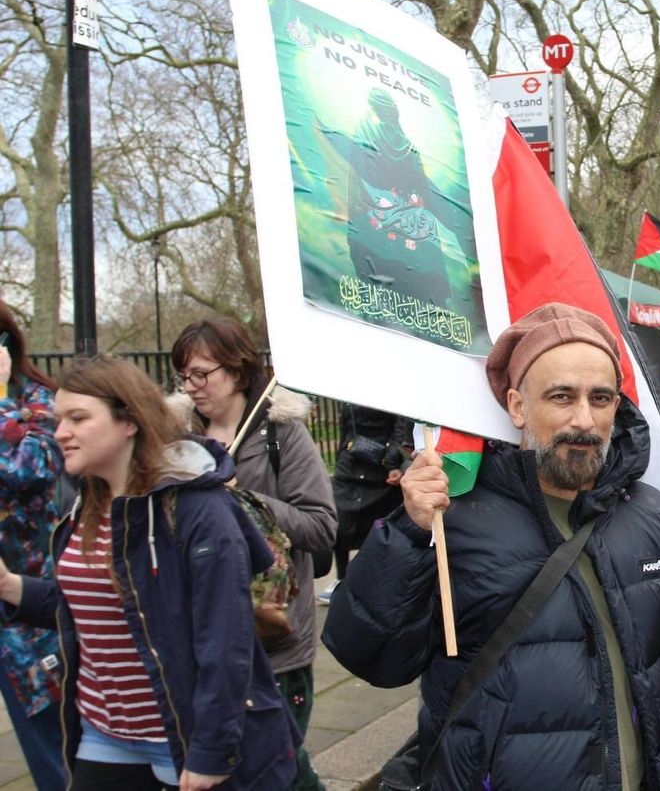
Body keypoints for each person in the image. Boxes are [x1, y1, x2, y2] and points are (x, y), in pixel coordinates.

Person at [323, 303, 660, 790]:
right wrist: (409, 534)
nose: (584, 419)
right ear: (518, 406)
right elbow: (372, 655)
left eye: (601, 398)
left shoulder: (656, 517)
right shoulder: (448, 521)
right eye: (561, 396)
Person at [0, 356, 300, 789]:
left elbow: (225, 637)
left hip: (179, 736)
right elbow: (92, 612)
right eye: (59, 419)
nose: (60, 432)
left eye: (78, 418)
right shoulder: (86, 505)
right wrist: (10, 586)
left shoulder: (196, 508)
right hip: (103, 735)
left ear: (129, 421)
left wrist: (211, 752)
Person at [169, 317, 337, 790]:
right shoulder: (179, 441)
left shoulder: (281, 435)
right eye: (184, 375)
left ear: (238, 371)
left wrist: (245, 498)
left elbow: (321, 527)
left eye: (202, 373)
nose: (191, 386)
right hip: (204, 636)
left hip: (272, 639)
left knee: (281, 768)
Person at [0, 305, 66, 790]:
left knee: (52, 746)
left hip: (25, 606)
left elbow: (29, 469)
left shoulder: (37, 402)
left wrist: (1, 398)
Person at [322, 403, 413, 603]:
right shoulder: (349, 393)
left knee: (376, 527)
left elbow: (400, 426)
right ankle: (341, 578)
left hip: (381, 463)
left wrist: (392, 462)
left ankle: (370, 580)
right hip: (350, 460)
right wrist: (340, 457)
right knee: (341, 522)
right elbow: (345, 426)